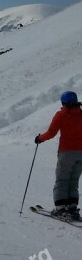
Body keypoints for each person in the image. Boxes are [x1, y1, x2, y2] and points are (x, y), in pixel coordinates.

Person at [35, 91, 82, 221]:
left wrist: (39, 138)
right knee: (73, 181)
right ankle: (72, 207)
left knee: (62, 180)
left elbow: (51, 133)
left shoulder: (61, 115)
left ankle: (61, 208)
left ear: (63, 102)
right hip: (81, 153)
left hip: (66, 152)